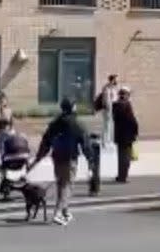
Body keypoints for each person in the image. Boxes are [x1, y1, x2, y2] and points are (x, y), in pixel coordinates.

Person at [30, 98, 88, 226]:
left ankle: (65, 211)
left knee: (61, 183)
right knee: (67, 185)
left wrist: (39, 158)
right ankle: (57, 213)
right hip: (70, 157)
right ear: (72, 107)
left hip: (57, 157)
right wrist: (90, 159)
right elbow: (84, 142)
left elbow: (46, 141)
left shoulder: (55, 123)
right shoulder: (76, 123)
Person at [112, 86, 139, 183]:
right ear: (126, 95)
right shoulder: (127, 105)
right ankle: (123, 176)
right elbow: (132, 121)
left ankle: (120, 175)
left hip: (119, 135)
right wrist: (136, 132)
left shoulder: (115, 105)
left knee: (121, 156)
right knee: (126, 157)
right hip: (128, 136)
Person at [96, 74, 119, 150]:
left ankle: (110, 141)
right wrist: (110, 110)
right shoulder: (107, 88)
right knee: (107, 126)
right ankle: (105, 142)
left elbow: (115, 99)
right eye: (115, 79)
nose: (116, 81)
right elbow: (107, 101)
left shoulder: (114, 88)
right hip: (108, 110)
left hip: (113, 110)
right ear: (112, 80)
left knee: (110, 126)